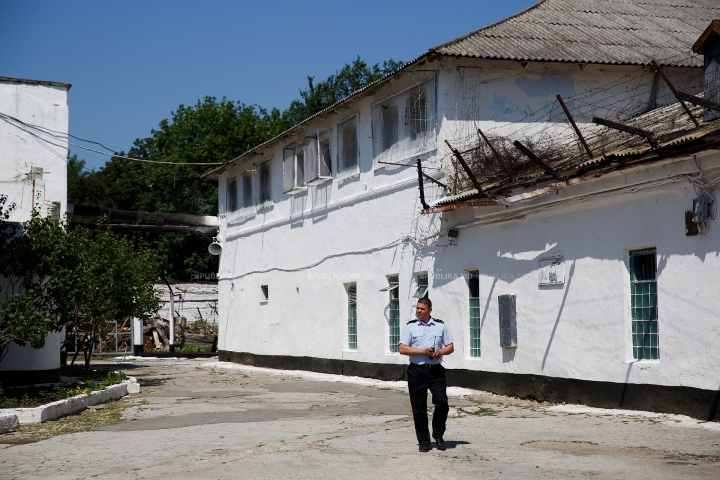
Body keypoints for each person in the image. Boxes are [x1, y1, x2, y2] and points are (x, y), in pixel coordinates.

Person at [398, 297, 454, 452]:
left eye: (422, 309)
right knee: (419, 407)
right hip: (417, 371)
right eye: (417, 308)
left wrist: (440, 351)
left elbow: (450, 346)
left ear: (430, 310)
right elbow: (402, 348)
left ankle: (438, 435)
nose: (418, 311)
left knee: (442, 403)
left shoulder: (440, 326)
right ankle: (423, 441)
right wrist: (421, 351)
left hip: (436, 370)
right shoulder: (411, 327)